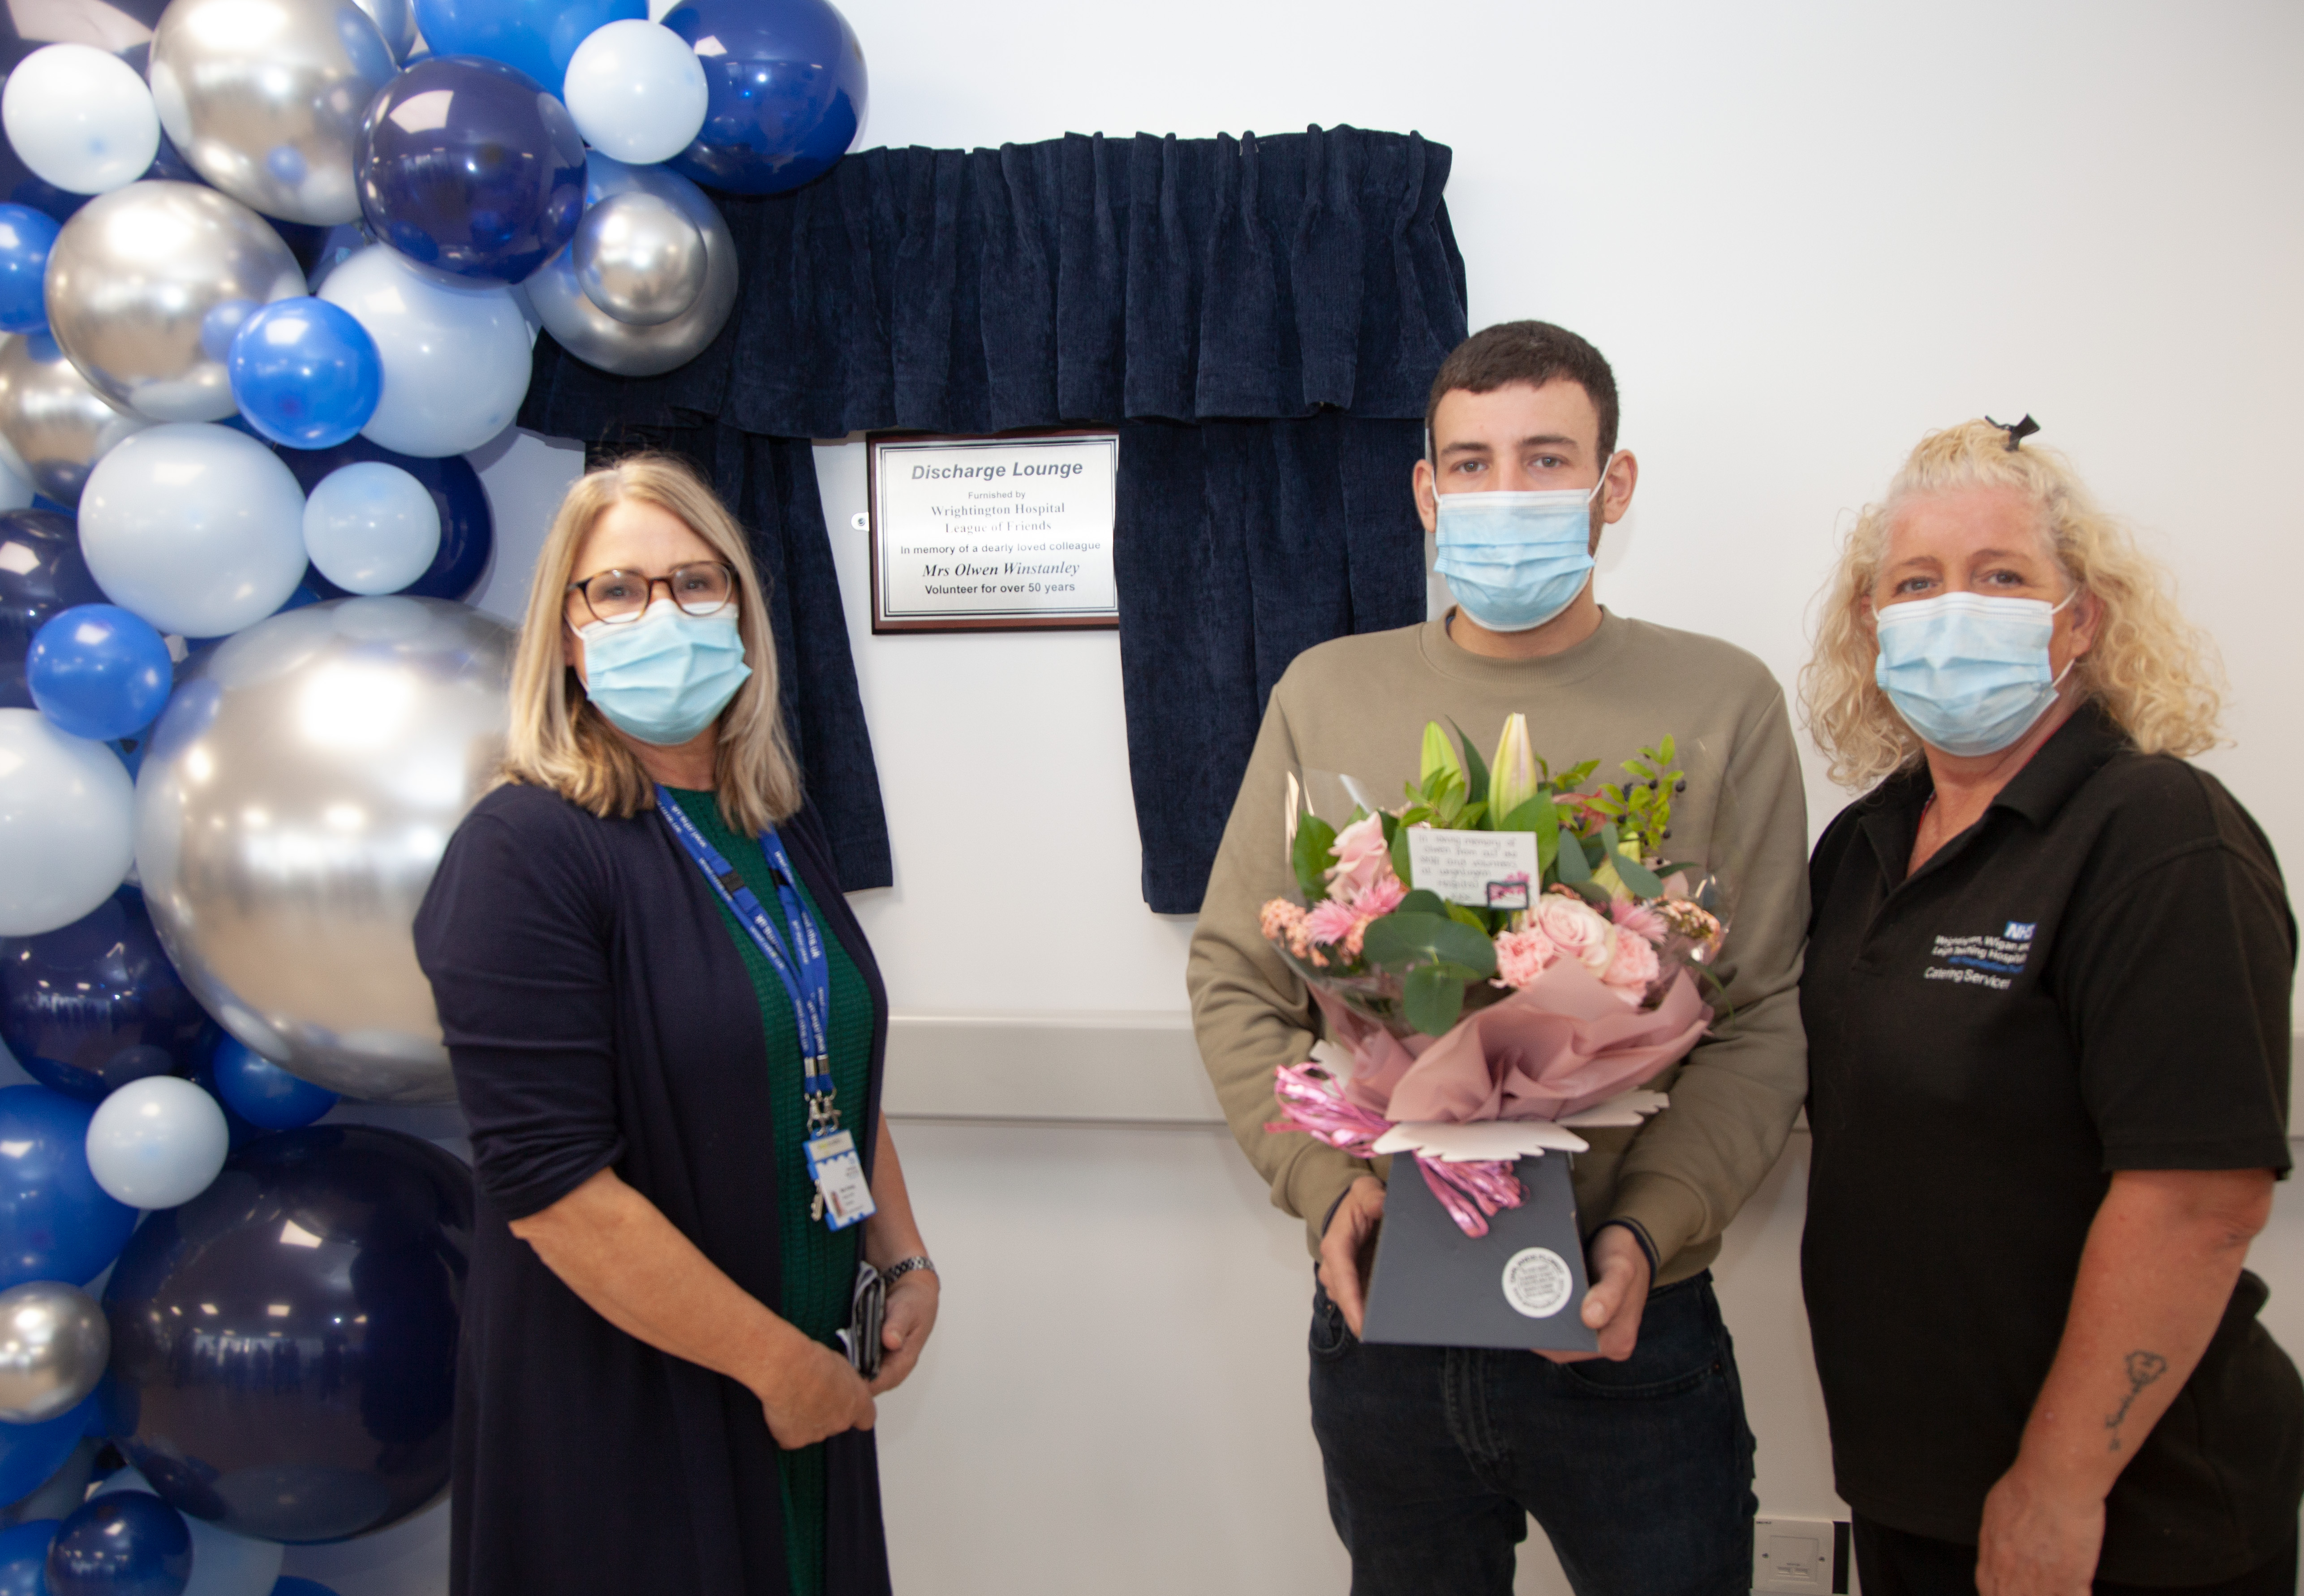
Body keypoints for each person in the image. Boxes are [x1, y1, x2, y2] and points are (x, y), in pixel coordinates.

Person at [1187, 320, 1810, 1593]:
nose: (1504, 494)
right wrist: (1323, 1186)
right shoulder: (1326, 691)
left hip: (1628, 1328)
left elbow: (1760, 1011)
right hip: (1387, 1311)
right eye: (1469, 463)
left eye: (1545, 458)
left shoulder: (1720, 700)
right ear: (1425, 491)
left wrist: (1645, 1232)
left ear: (1611, 484)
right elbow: (1236, 975)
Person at [412, 453, 939, 1596]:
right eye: (619, 590)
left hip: (808, 1370)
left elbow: (828, 1061)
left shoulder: (774, 829)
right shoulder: (523, 852)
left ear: (745, 615)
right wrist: (778, 1368)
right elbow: (553, 1193)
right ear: (563, 634)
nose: (664, 613)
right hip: (633, 1401)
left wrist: (902, 1257)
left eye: (699, 585)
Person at [1797, 418, 2301, 1596]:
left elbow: (2199, 1198)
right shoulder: (1862, 846)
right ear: (1872, 629)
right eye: (1914, 583)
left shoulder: (2160, 833)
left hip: (2126, 1509)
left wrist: (2059, 1483)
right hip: (1914, 1486)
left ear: (2079, 619)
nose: (1950, 607)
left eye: (2002, 576)